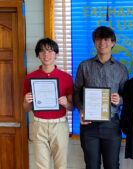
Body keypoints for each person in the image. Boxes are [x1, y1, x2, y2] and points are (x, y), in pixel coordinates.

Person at [73, 26, 128, 169]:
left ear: (113, 42)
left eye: (106, 39)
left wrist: (120, 100)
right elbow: (77, 92)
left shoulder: (121, 69)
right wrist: (80, 110)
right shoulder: (84, 66)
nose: (102, 43)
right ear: (94, 42)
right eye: (98, 39)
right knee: (91, 166)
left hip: (112, 124)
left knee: (112, 165)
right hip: (89, 124)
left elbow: (126, 95)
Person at [23, 38, 73, 169]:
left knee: (61, 165)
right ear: (38, 55)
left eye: (50, 51)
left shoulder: (66, 77)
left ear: (56, 54)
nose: (46, 54)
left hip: (59, 125)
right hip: (39, 125)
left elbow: (72, 107)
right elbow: (26, 108)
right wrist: (26, 101)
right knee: (42, 166)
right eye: (42, 51)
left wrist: (66, 103)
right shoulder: (30, 78)